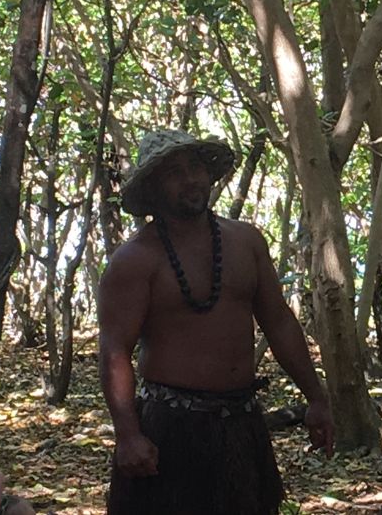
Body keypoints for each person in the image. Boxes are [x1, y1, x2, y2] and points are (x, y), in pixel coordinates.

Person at [99, 130, 335, 515]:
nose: (190, 178)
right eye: (174, 172)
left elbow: (279, 323)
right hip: (170, 428)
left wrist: (317, 398)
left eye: (195, 167)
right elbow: (114, 350)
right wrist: (128, 434)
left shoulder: (246, 242)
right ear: (154, 188)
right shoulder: (135, 260)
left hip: (241, 423)